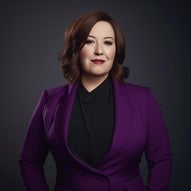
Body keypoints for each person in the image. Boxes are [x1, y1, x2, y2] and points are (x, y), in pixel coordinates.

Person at [19, 11, 172, 191]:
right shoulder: (50, 100)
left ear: (117, 50)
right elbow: (29, 161)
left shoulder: (143, 99)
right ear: (75, 47)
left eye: (108, 42)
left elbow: (161, 159)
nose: (99, 50)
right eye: (90, 41)